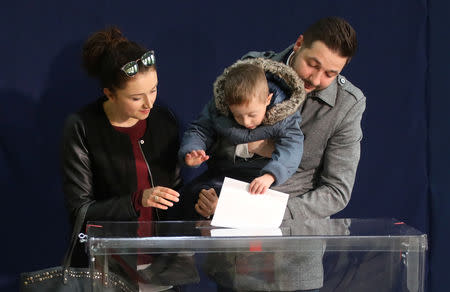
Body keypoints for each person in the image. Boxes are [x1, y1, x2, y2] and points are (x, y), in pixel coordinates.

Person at [195, 16, 366, 222]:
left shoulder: (347, 104)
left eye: (330, 74)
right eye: (312, 64)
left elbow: (336, 191)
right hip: (223, 212)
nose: (315, 79)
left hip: (292, 232)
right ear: (299, 43)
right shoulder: (251, 68)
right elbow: (206, 133)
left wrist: (266, 213)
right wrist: (247, 146)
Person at [61, 27, 182, 267]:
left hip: (162, 267)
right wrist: (137, 200)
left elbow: (177, 194)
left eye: (154, 89)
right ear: (110, 94)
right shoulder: (82, 127)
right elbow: (81, 212)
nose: (149, 103)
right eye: (136, 98)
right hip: (107, 265)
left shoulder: (165, 120)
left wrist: (203, 200)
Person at [175, 58, 305, 218]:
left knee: (251, 206)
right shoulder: (218, 108)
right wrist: (192, 150)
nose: (246, 122)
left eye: (252, 115)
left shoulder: (285, 116)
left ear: (268, 99)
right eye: (237, 115)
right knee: (190, 197)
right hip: (223, 172)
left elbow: (292, 147)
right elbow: (200, 130)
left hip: (261, 176)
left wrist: (271, 175)